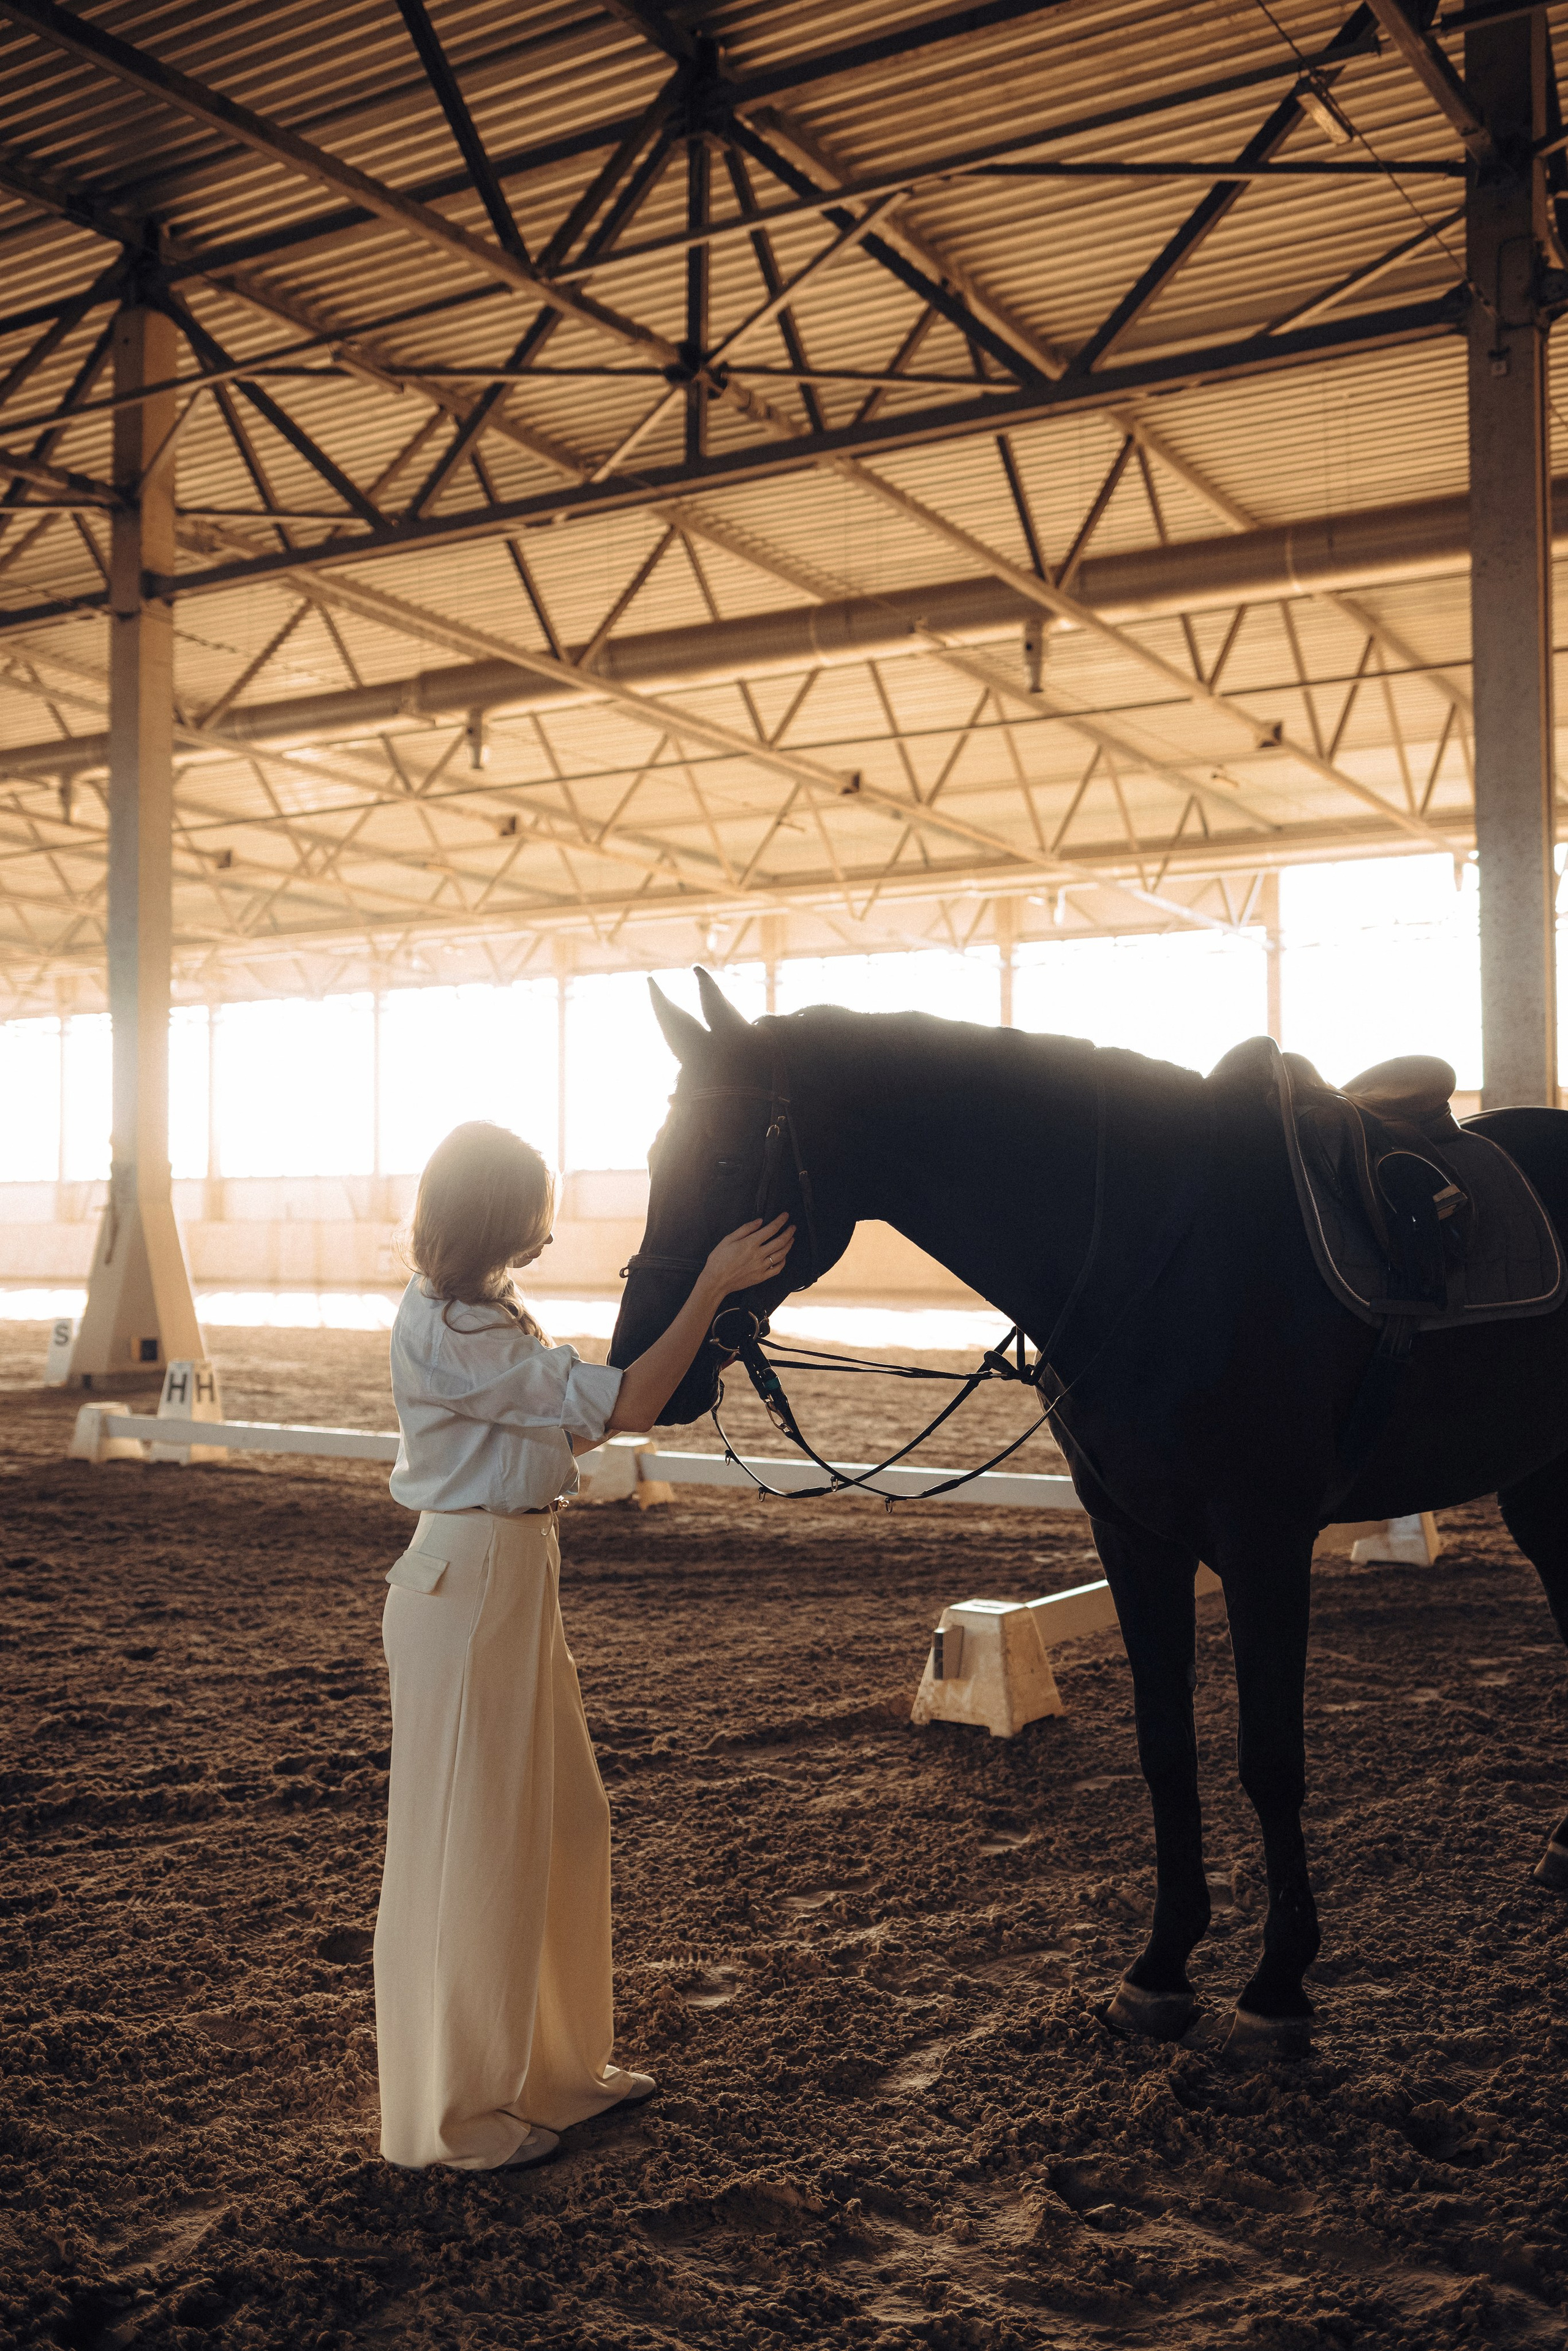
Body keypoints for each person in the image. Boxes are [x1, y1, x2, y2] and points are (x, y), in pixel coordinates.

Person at [375, 1119, 793, 2171]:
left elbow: (576, 1421)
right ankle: (461, 2122)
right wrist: (709, 1283)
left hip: (508, 1574)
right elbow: (632, 1404)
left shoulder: (477, 1312)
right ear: (498, 1217)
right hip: (472, 1581)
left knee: (564, 1823)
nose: (546, 1232)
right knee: (478, 1852)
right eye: (532, 1213)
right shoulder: (459, 1332)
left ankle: (559, 2069)